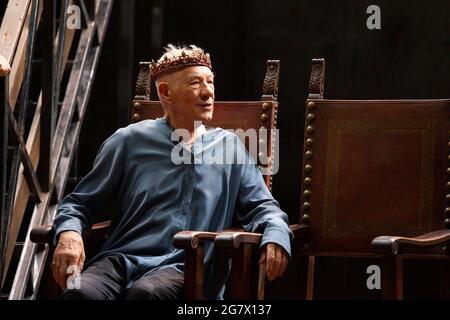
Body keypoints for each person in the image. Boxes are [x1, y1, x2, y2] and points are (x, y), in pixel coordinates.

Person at [52, 44, 293, 300]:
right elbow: (80, 203)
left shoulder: (229, 147)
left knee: (145, 295)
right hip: (121, 259)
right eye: (195, 83)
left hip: (186, 267)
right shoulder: (128, 141)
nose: (207, 92)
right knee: (78, 293)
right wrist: (69, 233)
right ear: (166, 92)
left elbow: (263, 207)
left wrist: (275, 234)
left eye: (210, 82)